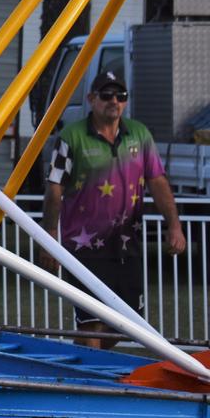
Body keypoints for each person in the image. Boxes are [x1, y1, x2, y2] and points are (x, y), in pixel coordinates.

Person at [38, 70, 186, 349]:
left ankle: (88, 367)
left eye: (120, 96)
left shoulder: (139, 134)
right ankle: (90, 380)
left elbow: (157, 181)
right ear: (91, 99)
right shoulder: (71, 137)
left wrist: (174, 225)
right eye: (106, 95)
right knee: (91, 321)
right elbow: (54, 188)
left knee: (124, 324)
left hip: (126, 243)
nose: (114, 101)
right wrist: (49, 236)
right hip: (84, 247)